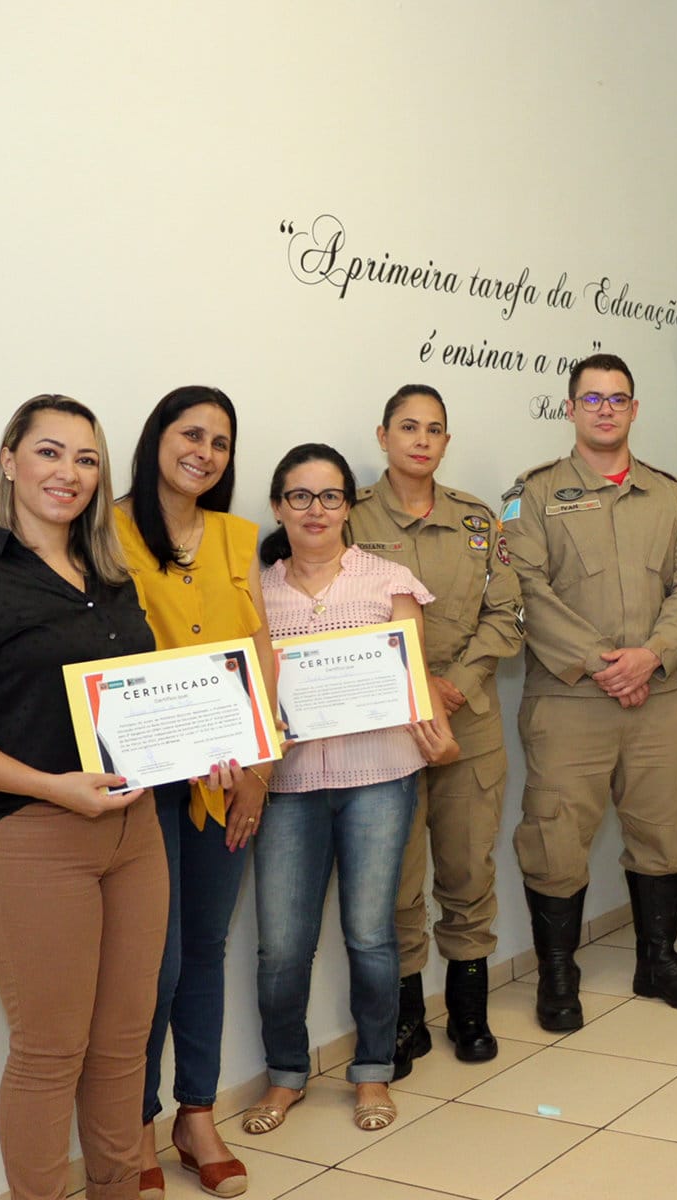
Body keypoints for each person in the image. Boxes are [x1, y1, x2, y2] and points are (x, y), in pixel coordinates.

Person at [0, 395, 166, 1200]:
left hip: (134, 836)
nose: (70, 474)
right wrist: (52, 786)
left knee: (124, 1047)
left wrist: (207, 745)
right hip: (26, 839)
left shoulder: (111, 576)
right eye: (50, 453)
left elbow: (138, 698)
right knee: (52, 1053)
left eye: (86, 460)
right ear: (10, 458)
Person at [240, 444, 459, 1137]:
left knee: (370, 935)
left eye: (330, 496)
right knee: (281, 945)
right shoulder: (255, 589)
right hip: (289, 785)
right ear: (278, 506)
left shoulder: (387, 579)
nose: (315, 510)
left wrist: (440, 732)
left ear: (349, 506)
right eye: (299, 496)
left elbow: (413, 674)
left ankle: (372, 1072)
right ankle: (284, 1075)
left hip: (379, 779)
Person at [500, 352, 677, 1030]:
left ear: (634, 409)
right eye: (590, 398)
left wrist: (648, 656)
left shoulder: (668, 494)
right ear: (570, 409)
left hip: (654, 698)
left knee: (666, 831)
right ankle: (558, 978)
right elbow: (523, 589)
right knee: (556, 839)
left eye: (617, 398)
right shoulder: (532, 493)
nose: (604, 409)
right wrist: (603, 663)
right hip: (569, 702)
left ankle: (659, 962)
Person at [115, 386, 272, 1199]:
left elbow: (259, 652)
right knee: (155, 962)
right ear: (157, 438)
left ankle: (196, 1114)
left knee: (205, 948)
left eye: (220, 441)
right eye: (190, 434)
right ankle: (132, 1126)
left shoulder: (236, 537)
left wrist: (259, 769)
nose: (205, 452)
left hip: (225, 778)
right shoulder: (102, 529)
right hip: (140, 785)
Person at [347, 385, 522, 1073]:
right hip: (384, 722)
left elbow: (506, 614)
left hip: (465, 716)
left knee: (467, 866)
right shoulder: (351, 517)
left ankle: (470, 1010)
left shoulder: (477, 519)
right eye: (408, 426)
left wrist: (459, 683)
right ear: (383, 434)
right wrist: (413, 687)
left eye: (435, 429)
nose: (422, 439)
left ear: (447, 443)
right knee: (394, 879)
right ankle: (405, 1019)